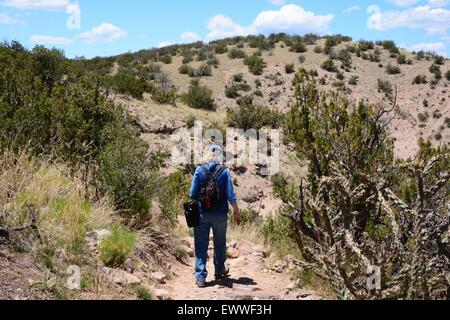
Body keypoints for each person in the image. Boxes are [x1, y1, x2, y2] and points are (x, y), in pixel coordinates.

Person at [189, 145, 241, 288]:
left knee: (201, 245)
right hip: (220, 215)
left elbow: (192, 194)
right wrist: (236, 212)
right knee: (220, 243)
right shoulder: (224, 172)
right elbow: (231, 196)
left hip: (202, 214)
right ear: (220, 156)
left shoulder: (199, 170)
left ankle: (200, 277)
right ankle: (219, 270)